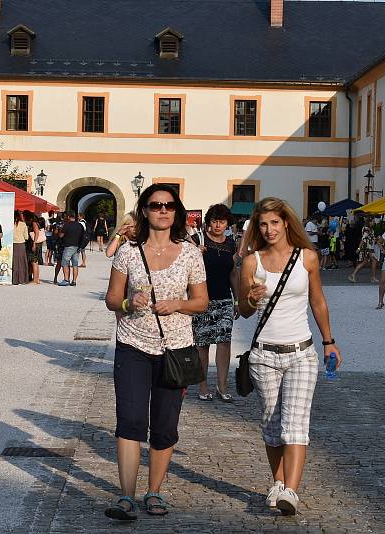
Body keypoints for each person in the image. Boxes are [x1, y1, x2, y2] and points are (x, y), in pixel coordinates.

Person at [103, 184, 208, 521]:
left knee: (164, 426)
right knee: (130, 421)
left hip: (175, 348)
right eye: (155, 205)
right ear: (144, 210)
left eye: (168, 205)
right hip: (133, 344)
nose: (162, 210)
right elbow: (111, 299)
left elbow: (202, 301)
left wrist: (178, 303)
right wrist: (127, 302)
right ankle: (126, 497)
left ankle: (155, 491)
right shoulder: (128, 252)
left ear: (176, 211)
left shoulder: (191, 253)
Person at [238, 197, 341, 516]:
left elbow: (318, 301)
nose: (269, 229)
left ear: (286, 223)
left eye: (274, 223)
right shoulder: (251, 262)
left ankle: (291, 491)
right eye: (263, 224)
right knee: (271, 424)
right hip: (264, 355)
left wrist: (329, 341)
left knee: (295, 424)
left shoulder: (307, 258)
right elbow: (242, 311)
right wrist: (252, 299)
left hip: (301, 352)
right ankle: (278, 483)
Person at [193, 204, 238, 402]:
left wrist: (237, 299)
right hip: (202, 299)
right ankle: (203, 386)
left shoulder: (231, 243)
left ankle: (222, 385)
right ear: (208, 222)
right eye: (214, 221)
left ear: (227, 223)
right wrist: (195, 254)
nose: (218, 225)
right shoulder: (197, 241)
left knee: (224, 341)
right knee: (203, 345)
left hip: (224, 299)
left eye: (222, 221)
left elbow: (233, 273)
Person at [58, 211, 84, 287]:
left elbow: (61, 236)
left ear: (69, 217)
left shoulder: (67, 225)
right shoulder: (80, 225)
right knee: (75, 264)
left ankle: (66, 280)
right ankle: (74, 281)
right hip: (77, 246)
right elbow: (82, 236)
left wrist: (59, 231)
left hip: (68, 246)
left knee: (65, 263)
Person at [11, 210, 29, 285]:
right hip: (21, 243)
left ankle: (14, 279)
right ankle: (22, 279)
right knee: (21, 262)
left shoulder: (10, 224)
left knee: (14, 262)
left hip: (13, 244)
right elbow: (26, 237)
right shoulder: (23, 224)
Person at [24, 210, 42, 284]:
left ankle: (35, 279)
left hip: (33, 244)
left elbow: (36, 233)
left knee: (33, 261)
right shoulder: (36, 222)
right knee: (35, 262)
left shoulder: (33, 223)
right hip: (36, 244)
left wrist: (34, 243)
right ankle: (36, 279)